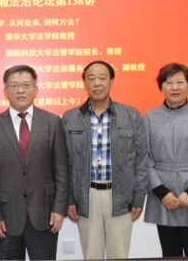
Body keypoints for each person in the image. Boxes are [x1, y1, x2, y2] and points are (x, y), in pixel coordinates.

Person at [62, 61, 149, 259]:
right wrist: (70, 199)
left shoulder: (131, 115)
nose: (97, 83)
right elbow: (65, 164)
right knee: (91, 255)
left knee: (119, 255)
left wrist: (138, 197)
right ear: (84, 83)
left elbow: (141, 161)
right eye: (91, 78)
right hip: (86, 197)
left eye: (102, 78)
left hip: (120, 197)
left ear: (112, 82)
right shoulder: (70, 118)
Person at [0, 65, 69, 261]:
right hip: (7, 217)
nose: (20, 90)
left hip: (45, 214)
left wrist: (59, 209)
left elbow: (62, 170)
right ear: (5, 91)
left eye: (25, 85)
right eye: (14, 86)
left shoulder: (52, 122)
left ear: (36, 90)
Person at [143, 63, 188, 257]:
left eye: (180, 82)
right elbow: (144, 157)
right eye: (169, 83)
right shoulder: (149, 117)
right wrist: (162, 193)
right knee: (170, 253)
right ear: (161, 87)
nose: (174, 87)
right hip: (164, 196)